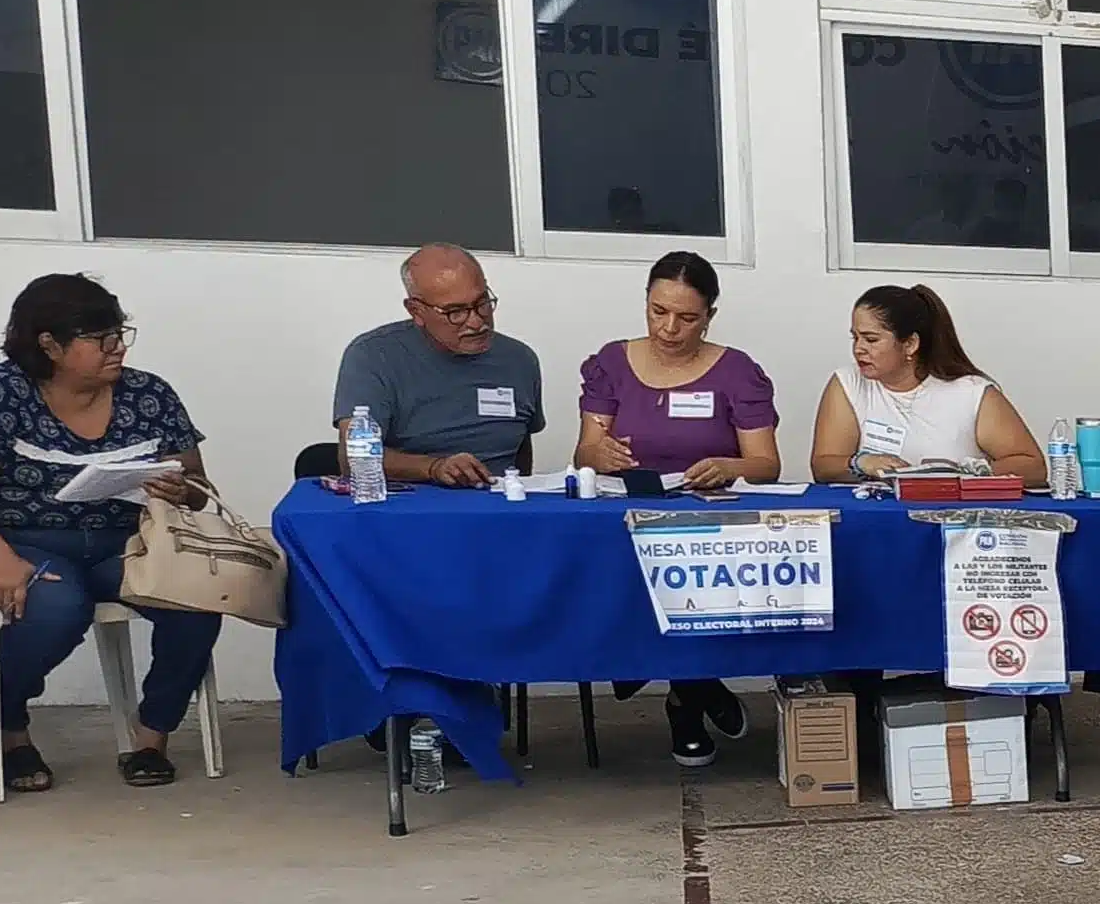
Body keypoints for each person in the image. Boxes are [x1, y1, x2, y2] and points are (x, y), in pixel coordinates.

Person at [0, 273, 220, 792]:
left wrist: (183, 492)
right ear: (49, 344)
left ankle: (150, 736)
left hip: (127, 543)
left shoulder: (148, 394)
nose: (117, 348)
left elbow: (199, 486)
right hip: (25, 539)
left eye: (120, 333)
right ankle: (9, 728)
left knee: (197, 600)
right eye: (100, 338)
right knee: (54, 606)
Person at [575, 251, 783, 768]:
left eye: (687, 318)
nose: (669, 328)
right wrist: (597, 454)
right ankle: (698, 686)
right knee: (614, 576)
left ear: (710, 314)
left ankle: (684, 699)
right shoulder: (612, 362)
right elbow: (584, 453)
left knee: (690, 573)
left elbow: (767, 465)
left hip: (709, 520)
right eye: (657, 312)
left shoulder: (737, 372)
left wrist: (727, 464)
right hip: (627, 515)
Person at [331, 244, 544, 485]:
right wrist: (433, 468)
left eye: (482, 303)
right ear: (416, 311)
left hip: (498, 504)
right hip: (413, 506)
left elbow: (521, 454)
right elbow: (353, 459)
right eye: (456, 312)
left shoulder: (520, 360)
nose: (475, 322)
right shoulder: (372, 356)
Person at [806, 285, 1043, 484]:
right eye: (855, 337)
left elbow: (1033, 467)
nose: (859, 349)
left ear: (910, 344)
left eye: (871, 339)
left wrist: (962, 475)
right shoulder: (848, 382)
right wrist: (861, 463)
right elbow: (824, 466)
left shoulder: (971, 392)